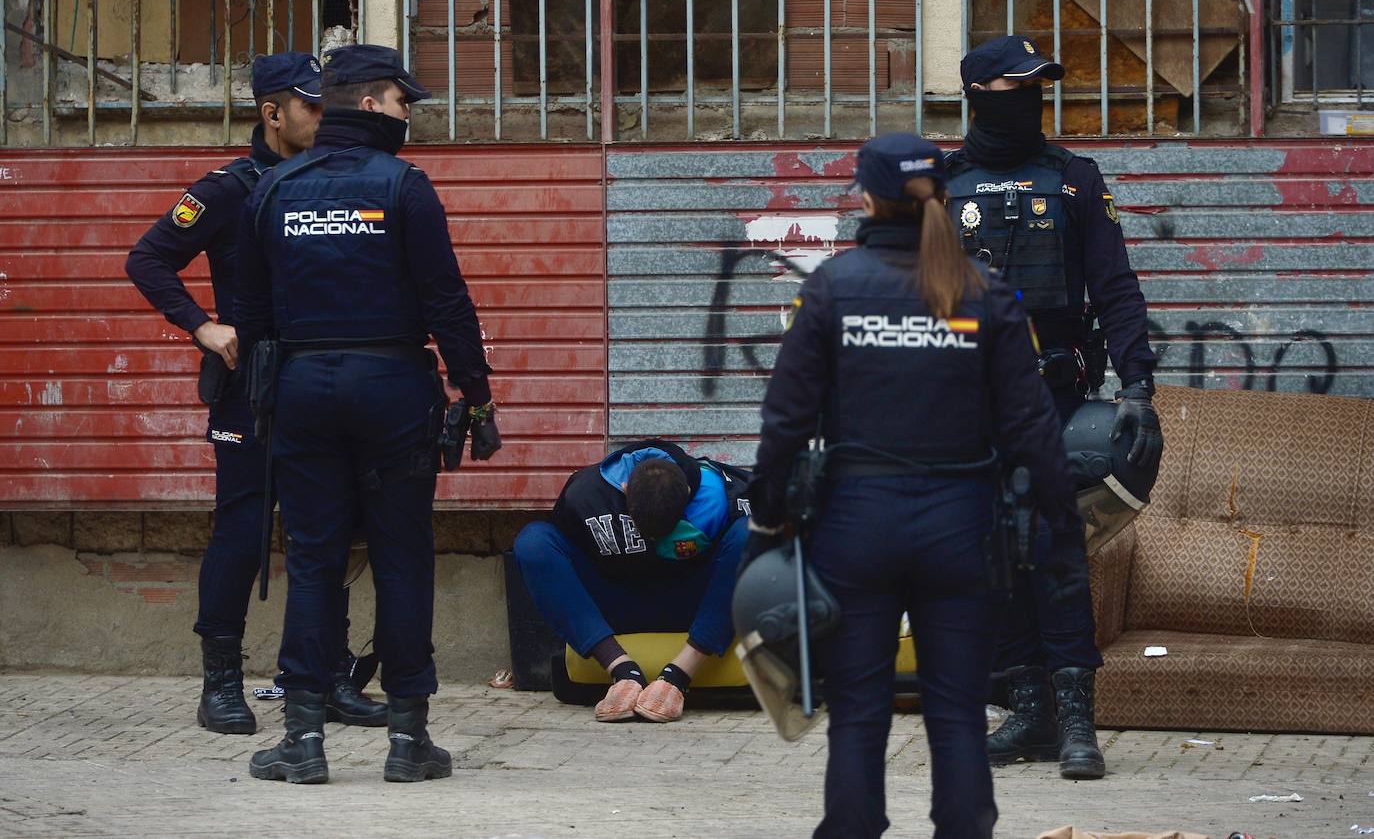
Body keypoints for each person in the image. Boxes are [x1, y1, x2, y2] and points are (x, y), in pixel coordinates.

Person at [747, 133, 1087, 839]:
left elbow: (786, 417)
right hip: (962, 531)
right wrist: (1062, 526)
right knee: (957, 713)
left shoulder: (833, 289)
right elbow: (1032, 428)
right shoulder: (985, 295)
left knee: (860, 711)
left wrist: (768, 513)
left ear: (867, 199)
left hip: (855, 529)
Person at [234, 44, 501, 784]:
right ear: (370, 103)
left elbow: (250, 313)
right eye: (402, 101)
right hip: (393, 389)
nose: (408, 115)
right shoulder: (405, 188)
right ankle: (409, 741)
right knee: (402, 559)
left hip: (303, 389)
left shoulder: (275, 189)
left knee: (315, 562)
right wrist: (476, 399)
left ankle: (304, 740)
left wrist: (266, 394)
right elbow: (448, 304)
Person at [124, 51, 387, 736]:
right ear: (273, 113)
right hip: (251, 384)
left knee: (326, 525)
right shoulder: (226, 188)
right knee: (242, 528)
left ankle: (327, 678)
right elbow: (147, 259)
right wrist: (202, 326)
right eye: (312, 105)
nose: (324, 116)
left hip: (320, 379)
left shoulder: (332, 178)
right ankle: (220, 684)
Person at [945, 35, 1163, 780]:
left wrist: (1137, 384)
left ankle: (1077, 722)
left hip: (1052, 396)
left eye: (1040, 87)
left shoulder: (1073, 180)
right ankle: (1028, 711)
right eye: (1018, 86)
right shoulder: (940, 188)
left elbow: (1116, 288)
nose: (1033, 100)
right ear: (979, 94)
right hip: (963, 404)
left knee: (1055, 552)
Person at [512, 440, 751, 723]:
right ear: (625, 491)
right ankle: (623, 672)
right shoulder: (585, 493)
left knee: (755, 533)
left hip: (695, 605)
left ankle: (678, 676)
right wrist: (619, 667)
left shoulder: (721, 492)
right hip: (618, 604)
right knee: (534, 541)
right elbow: (557, 565)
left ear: (688, 494)